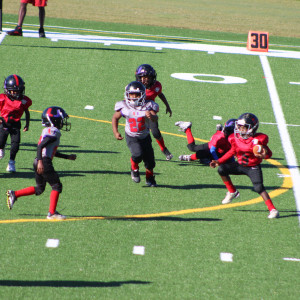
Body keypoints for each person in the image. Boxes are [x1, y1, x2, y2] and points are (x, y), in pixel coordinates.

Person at [6, 106, 76, 220]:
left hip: (39, 160)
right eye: (61, 119)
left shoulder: (47, 130)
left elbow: (49, 150)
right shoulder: (54, 132)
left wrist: (67, 157)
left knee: (40, 188)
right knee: (57, 186)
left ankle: (15, 194)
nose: (63, 122)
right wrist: (40, 162)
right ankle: (52, 213)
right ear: (54, 120)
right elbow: (41, 146)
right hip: (43, 162)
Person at [209, 113, 279, 219]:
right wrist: (219, 161)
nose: (241, 129)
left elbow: (269, 154)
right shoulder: (234, 138)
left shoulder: (258, 140)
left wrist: (264, 155)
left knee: (259, 187)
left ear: (252, 128)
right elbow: (232, 151)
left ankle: (273, 209)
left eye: (244, 127)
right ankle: (232, 192)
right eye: (239, 126)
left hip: (252, 167)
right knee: (222, 169)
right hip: (240, 164)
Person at [112, 81, 158, 187]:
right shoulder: (124, 106)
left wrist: (152, 116)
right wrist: (116, 132)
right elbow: (115, 117)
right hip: (131, 136)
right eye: (131, 94)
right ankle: (134, 168)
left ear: (142, 94)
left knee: (150, 161)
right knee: (137, 154)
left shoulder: (148, 105)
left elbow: (155, 117)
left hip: (145, 136)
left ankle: (150, 178)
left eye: (137, 94)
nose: (134, 97)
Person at [135, 64, 173, 161]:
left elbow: (159, 94)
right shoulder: (135, 87)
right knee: (139, 134)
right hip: (138, 112)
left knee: (155, 132)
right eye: (144, 77)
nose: (146, 80)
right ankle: (139, 152)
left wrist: (167, 106)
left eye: (148, 77)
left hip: (150, 111)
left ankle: (164, 149)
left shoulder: (156, 86)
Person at [0, 74, 32, 172]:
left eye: (18, 91)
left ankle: (11, 162)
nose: (15, 93)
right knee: (1, 142)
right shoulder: (3, 98)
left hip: (15, 125)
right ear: (7, 90)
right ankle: (1, 148)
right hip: (4, 123)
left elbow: (27, 112)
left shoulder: (24, 101)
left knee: (15, 145)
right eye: (13, 91)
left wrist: (27, 124)